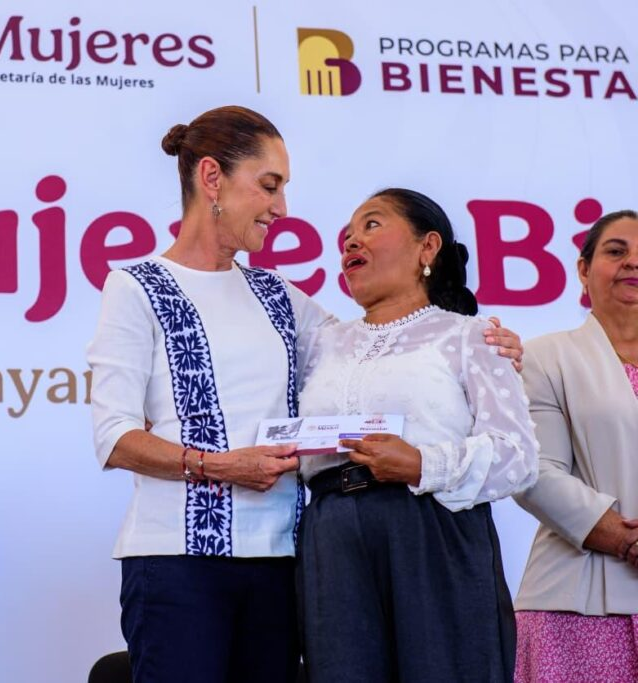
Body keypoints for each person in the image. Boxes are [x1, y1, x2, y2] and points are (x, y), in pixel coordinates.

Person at [86, 109, 524, 683]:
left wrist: (491, 345)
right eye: (269, 186)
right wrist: (221, 465)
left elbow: (379, 345)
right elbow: (115, 437)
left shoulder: (276, 294)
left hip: (283, 559)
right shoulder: (135, 285)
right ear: (212, 178)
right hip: (178, 558)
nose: (282, 207)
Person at [296, 188, 540, 682]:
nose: (351, 242)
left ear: (427, 247)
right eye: (347, 235)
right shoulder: (322, 343)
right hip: (331, 534)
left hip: (430, 526)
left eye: (371, 225)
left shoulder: (469, 335)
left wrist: (423, 464)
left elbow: (518, 457)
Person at [513, 210, 638, 682]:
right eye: (616, 251)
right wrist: (624, 538)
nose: (633, 263)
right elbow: (534, 470)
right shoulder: (545, 357)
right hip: (574, 605)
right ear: (583, 269)